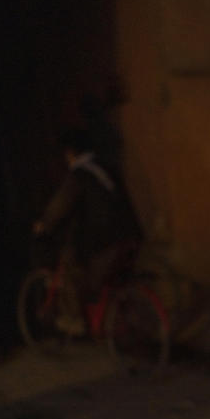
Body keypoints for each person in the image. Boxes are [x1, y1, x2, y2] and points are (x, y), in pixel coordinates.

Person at [33, 127, 143, 335]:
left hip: (106, 242)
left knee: (72, 270)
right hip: (131, 235)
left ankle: (74, 320)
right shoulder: (105, 168)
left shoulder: (79, 176)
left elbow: (60, 206)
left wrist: (44, 224)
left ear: (70, 152)